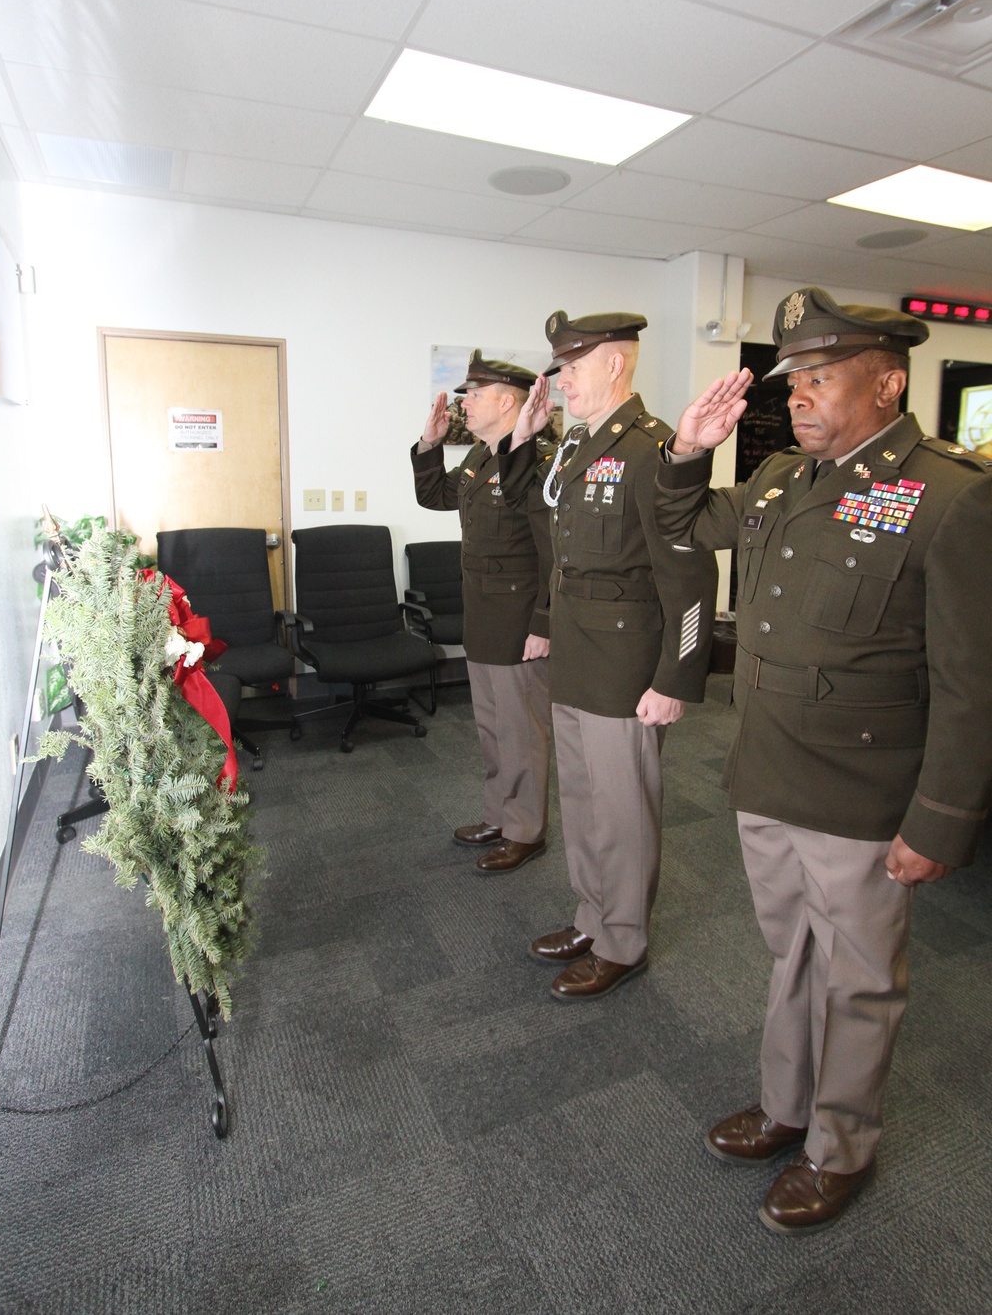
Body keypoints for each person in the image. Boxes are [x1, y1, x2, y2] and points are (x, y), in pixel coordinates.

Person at [655, 285, 992, 1235]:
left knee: (859, 977)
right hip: (765, 773)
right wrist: (688, 449)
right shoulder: (776, 480)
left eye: (820, 377)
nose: (798, 395)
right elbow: (682, 525)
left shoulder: (953, 496)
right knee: (790, 956)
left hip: (863, 793)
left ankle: (840, 1146)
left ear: (887, 383)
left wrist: (939, 820)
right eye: (793, 379)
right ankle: (784, 1104)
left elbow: (973, 685)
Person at [503, 311, 717, 1000]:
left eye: (573, 366)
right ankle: (591, 915)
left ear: (615, 366)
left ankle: (624, 940)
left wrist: (675, 676)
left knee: (623, 810)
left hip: (627, 666)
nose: (562, 380)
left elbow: (687, 572)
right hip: (576, 653)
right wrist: (526, 439)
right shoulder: (574, 446)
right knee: (586, 800)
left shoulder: (654, 449)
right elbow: (541, 529)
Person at [411, 350, 554, 874]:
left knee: (522, 732)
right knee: (493, 728)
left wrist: (544, 622)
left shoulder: (539, 462)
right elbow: (434, 496)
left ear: (508, 401)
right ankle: (500, 815)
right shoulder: (478, 456)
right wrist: (430, 443)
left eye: (474, 395)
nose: (464, 404)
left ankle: (526, 830)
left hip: (520, 621)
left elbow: (554, 551)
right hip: (483, 615)